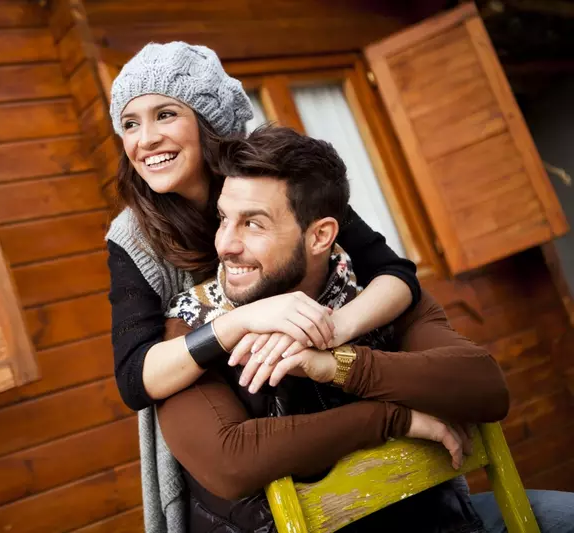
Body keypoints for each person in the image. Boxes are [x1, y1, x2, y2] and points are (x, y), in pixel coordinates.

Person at [157, 126, 574, 532]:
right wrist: (392, 418)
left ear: (320, 236)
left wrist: (336, 365)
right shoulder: (194, 325)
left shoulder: (374, 296)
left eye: (253, 224)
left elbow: (485, 386)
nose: (225, 244)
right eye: (223, 219)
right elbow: (232, 461)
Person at [106, 41, 420, 532]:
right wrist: (240, 320)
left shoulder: (277, 180)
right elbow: (135, 379)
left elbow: (396, 275)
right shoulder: (133, 237)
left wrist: (329, 328)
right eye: (129, 123)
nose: (145, 138)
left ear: (207, 122)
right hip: (241, 458)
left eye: (165, 114)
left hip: (335, 407)